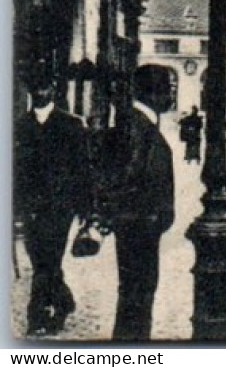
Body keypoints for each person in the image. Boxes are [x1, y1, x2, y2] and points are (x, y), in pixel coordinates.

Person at [100, 65, 175, 342]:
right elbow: (129, 174)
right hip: (138, 225)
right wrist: (148, 215)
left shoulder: (139, 122)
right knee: (137, 294)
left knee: (137, 293)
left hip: (140, 224)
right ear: (153, 93)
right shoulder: (137, 124)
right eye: (168, 89)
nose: (170, 96)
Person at [15, 74, 91, 336]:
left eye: (45, 86)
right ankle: (63, 303)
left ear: (53, 90)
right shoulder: (19, 126)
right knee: (41, 261)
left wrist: (85, 209)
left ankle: (37, 317)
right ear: (30, 90)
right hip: (30, 205)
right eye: (36, 87)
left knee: (49, 259)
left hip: (61, 205)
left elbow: (83, 168)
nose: (41, 92)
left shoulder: (70, 125)